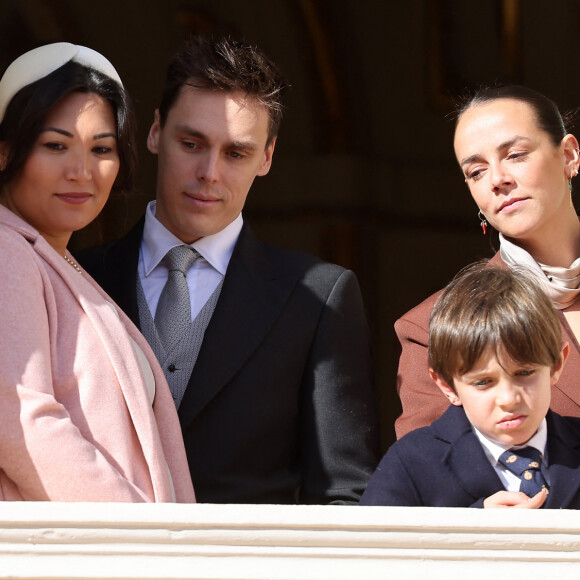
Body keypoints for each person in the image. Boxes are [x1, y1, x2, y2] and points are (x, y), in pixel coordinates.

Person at [78, 36, 380, 504]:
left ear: (267, 157)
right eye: (192, 142)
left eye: (235, 153)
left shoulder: (320, 297)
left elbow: (344, 491)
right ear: (155, 132)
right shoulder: (78, 275)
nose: (209, 172)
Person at [0, 42, 195, 502]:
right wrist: (142, 537)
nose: (81, 171)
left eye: (101, 148)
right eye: (56, 145)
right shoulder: (8, 250)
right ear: (6, 152)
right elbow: (20, 417)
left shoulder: (54, 259)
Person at [395, 84, 580, 439]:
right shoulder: (431, 328)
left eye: (516, 154)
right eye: (476, 171)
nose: (497, 180)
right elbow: (430, 476)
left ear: (569, 155)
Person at [361, 263, 580, 508]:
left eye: (525, 373)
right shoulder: (412, 463)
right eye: (484, 382)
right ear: (448, 387)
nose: (508, 399)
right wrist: (475, 525)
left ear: (557, 364)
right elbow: (369, 544)